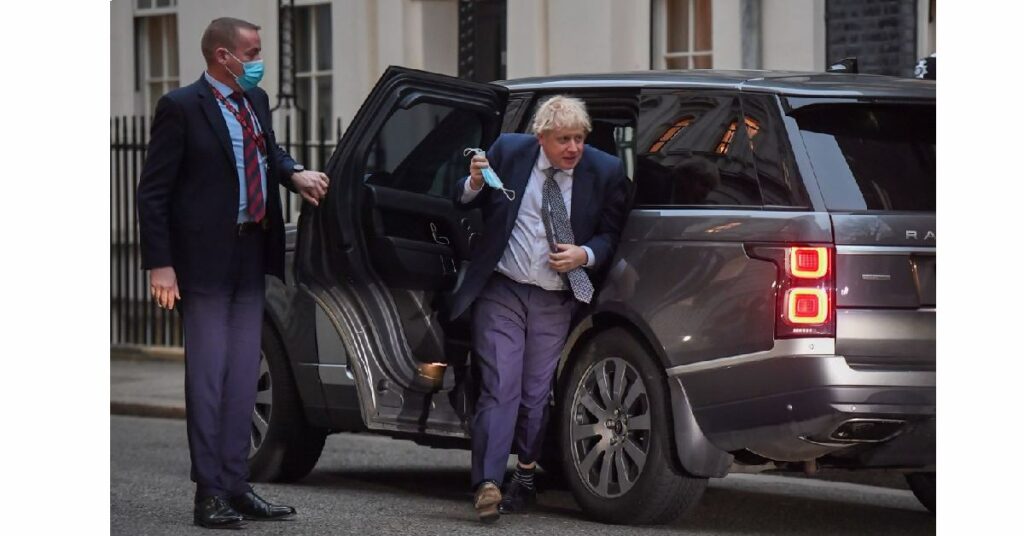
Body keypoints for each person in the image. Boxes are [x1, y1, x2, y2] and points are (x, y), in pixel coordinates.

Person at [136, 17, 329, 530]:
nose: (258, 60)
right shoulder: (180, 109)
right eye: (253, 51)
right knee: (208, 379)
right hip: (201, 264)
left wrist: (294, 174)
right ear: (224, 56)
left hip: (250, 255)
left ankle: (238, 486)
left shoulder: (254, 103)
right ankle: (208, 494)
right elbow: (152, 193)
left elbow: (267, 153)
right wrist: (161, 265)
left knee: (244, 380)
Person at [450, 96, 629, 522]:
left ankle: (526, 472)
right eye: (564, 139)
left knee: (533, 395)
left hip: (555, 296)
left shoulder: (605, 170)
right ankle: (487, 483)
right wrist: (473, 182)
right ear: (541, 138)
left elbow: (613, 232)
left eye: (579, 139)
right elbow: (463, 199)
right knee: (499, 385)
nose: (573, 148)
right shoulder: (509, 151)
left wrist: (583, 254)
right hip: (502, 289)